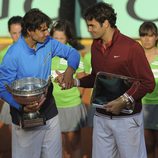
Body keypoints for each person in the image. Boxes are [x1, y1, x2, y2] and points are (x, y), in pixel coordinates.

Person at [56, 2, 156, 158]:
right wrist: (74, 82)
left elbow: (148, 82)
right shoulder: (95, 46)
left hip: (127, 120)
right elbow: (96, 77)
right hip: (101, 117)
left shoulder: (131, 47)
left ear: (106, 23)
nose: (88, 29)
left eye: (92, 25)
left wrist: (123, 100)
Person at [0, 8, 80, 158]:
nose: (47, 33)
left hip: (49, 109)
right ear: (30, 31)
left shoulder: (48, 42)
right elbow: (2, 87)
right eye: (42, 30)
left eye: (47, 29)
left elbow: (72, 53)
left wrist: (70, 70)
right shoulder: (13, 54)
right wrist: (22, 107)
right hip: (24, 114)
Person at [50, 19, 87, 158]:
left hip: (70, 105)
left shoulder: (73, 54)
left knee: (74, 143)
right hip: (51, 106)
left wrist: (74, 96)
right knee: (58, 144)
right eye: (55, 38)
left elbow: (82, 80)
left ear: (68, 38)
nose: (58, 41)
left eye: (62, 38)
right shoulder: (46, 53)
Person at [0, 16, 23, 129]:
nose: (18, 36)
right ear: (9, 33)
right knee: (15, 137)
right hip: (11, 99)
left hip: (31, 100)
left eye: (20, 32)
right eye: (14, 33)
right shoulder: (4, 54)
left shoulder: (35, 50)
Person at [139, 21, 158, 158]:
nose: (146, 39)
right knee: (148, 145)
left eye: (150, 35)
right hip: (141, 106)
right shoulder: (136, 57)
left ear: (156, 37)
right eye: (143, 35)